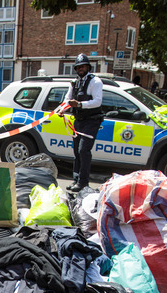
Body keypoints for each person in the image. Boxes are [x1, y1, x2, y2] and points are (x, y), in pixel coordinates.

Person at [57, 54, 104, 192]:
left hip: (91, 121)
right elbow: (67, 99)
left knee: (83, 150)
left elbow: (97, 101)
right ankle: (76, 179)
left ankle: (83, 182)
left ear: (88, 67)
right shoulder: (75, 82)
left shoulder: (95, 82)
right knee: (76, 151)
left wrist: (79, 104)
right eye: (78, 67)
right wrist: (62, 109)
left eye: (83, 66)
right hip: (78, 121)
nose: (81, 69)